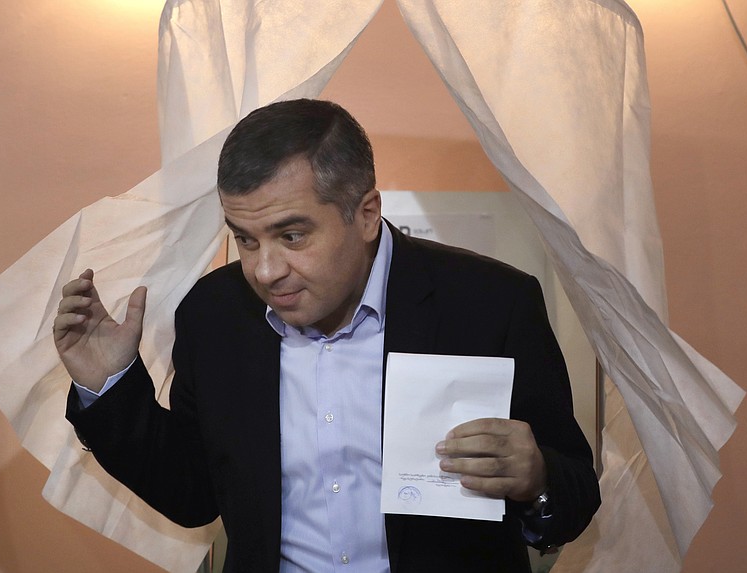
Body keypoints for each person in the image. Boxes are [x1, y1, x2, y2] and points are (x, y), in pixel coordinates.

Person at [55, 99, 599, 573]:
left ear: (365, 214)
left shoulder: (491, 303)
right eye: (245, 240)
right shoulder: (215, 313)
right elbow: (195, 493)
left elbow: (573, 495)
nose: (265, 270)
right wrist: (109, 388)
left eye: (292, 235)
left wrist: (537, 479)